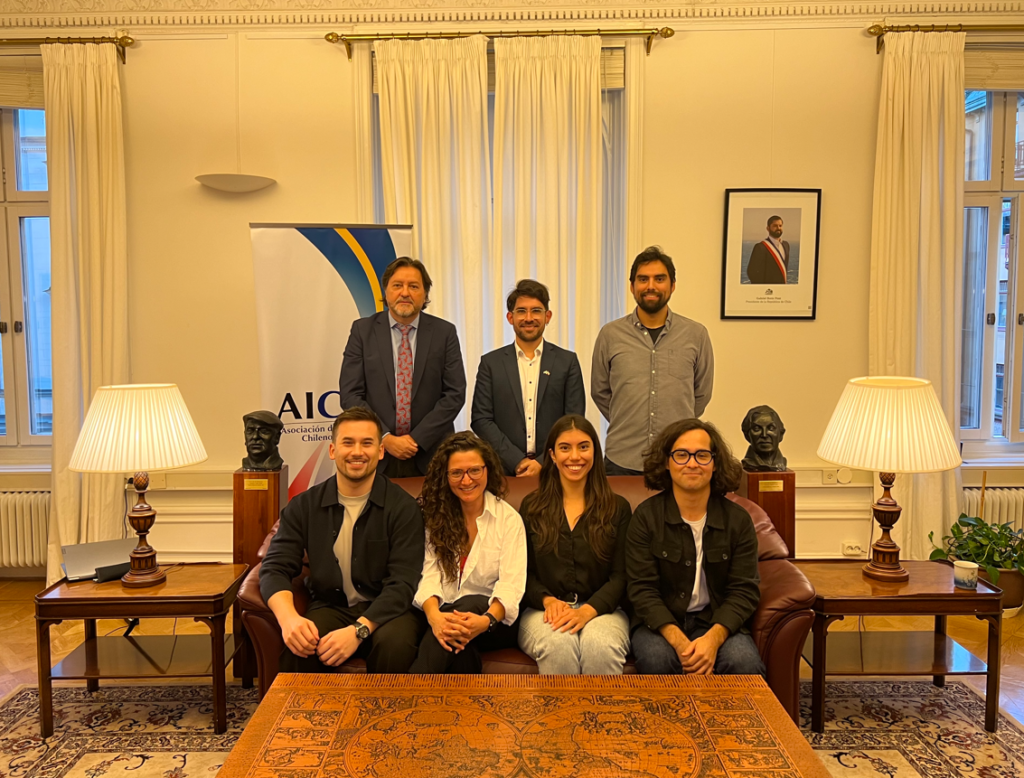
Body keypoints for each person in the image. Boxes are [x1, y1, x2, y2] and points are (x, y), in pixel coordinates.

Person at [259, 406, 425, 674]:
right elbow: (274, 566)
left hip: (387, 611)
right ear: (333, 450)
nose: (357, 452)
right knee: (301, 646)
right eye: (348, 442)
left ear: (380, 451)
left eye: (367, 443)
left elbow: (404, 583)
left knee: (395, 646)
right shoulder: (304, 505)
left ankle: (383, 716)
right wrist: (289, 619)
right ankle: (301, 717)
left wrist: (358, 630)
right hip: (330, 605)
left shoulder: (404, 508)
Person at [626, 418, 766, 677]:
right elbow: (641, 590)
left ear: (715, 463)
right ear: (667, 462)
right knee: (658, 660)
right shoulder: (646, 517)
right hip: (659, 624)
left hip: (716, 621)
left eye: (702, 455)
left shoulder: (738, 520)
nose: (692, 463)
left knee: (744, 663)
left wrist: (712, 640)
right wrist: (680, 642)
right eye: (681, 455)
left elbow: (744, 590)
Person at [517, 415, 632, 674]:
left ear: (595, 451)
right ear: (552, 455)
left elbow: (622, 576)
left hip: (605, 611)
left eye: (583, 446)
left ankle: (601, 717)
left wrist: (588, 611)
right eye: (565, 448)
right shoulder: (532, 507)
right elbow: (523, 573)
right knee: (558, 643)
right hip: (542, 611)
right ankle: (560, 716)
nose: (575, 456)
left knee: (599, 645)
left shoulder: (618, 508)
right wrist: (547, 600)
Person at [410, 432, 527, 673]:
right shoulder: (434, 517)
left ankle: (412, 700)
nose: (466, 481)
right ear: (445, 476)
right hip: (443, 619)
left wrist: (485, 621)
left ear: (488, 470)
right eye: (456, 473)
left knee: (470, 602)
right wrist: (435, 618)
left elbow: (511, 586)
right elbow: (428, 574)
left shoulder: (509, 520)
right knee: (460, 649)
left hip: (493, 622)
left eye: (474, 470)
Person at [591, 246, 714, 475]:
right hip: (622, 460)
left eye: (659, 279)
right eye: (643, 279)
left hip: (678, 459)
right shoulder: (610, 335)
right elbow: (600, 391)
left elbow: (701, 394)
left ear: (672, 285)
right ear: (632, 287)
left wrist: (677, 423)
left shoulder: (696, 335)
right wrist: (625, 417)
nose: (651, 286)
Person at [339, 257, 467, 477]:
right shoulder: (362, 331)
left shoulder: (444, 333)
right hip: (377, 453)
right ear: (386, 291)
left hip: (431, 453)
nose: (405, 293)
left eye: (414, 286)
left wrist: (417, 439)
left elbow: (454, 394)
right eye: (397, 285)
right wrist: (385, 438)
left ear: (425, 295)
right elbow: (351, 394)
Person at [471, 279, 586, 477]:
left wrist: (542, 462)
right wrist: (517, 461)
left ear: (547, 316)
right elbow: (481, 419)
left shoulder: (567, 362)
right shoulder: (491, 363)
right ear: (510, 317)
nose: (529, 317)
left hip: (555, 470)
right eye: (521, 311)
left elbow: (573, 420)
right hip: (503, 471)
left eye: (536, 311)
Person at [740, 405, 787, 471]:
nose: (764, 435)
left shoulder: (781, 464)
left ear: (781, 434)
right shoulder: (748, 464)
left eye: (771, 428)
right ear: (747, 435)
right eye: (757, 429)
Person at [745, 215, 790, 285]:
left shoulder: (786, 245)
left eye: (780, 226)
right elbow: (752, 272)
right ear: (768, 228)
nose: (778, 228)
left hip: (782, 289)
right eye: (775, 226)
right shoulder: (760, 247)